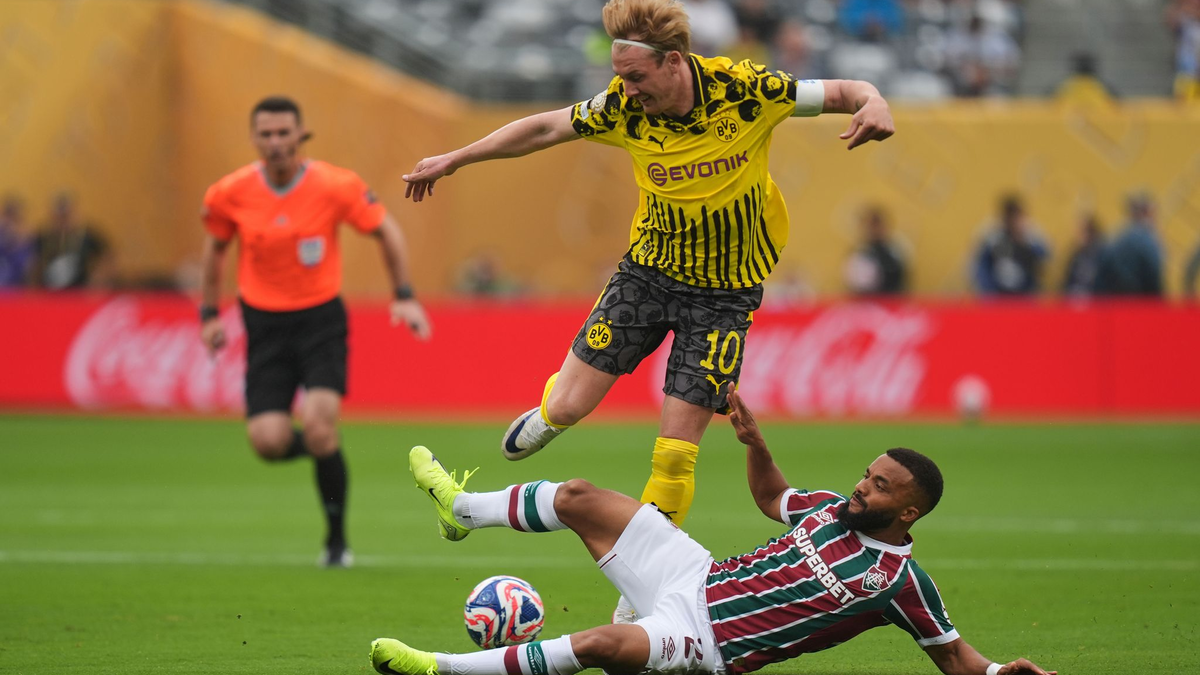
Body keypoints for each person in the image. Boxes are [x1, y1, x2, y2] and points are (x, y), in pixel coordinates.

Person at [402, 0, 894, 564]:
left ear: (674, 62)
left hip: (724, 296)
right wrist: (457, 158)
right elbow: (546, 126)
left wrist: (874, 100)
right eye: (620, 78)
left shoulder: (747, 90)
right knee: (567, 409)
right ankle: (550, 414)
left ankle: (643, 591)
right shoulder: (621, 108)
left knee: (675, 456)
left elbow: (844, 91)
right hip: (648, 277)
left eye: (635, 77)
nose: (626, 90)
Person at [370, 390, 1056, 675]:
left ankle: (440, 667)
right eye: (867, 473)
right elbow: (770, 496)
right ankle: (461, 510)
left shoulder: (901, 584)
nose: (862, 487)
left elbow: (959, 661)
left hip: (708, 644)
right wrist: (755, 441)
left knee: (602, 642)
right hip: (693, 575)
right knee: (581, 496)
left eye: (880, 486)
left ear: (908, 511)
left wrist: (1001, 671)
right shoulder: (825, 509)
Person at [199, 96, 432, 567]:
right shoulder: (229, 193)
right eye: (266, 134)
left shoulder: (335, 185)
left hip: (320, 320)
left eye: (284, 133)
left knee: (322, 429)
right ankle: (326, 453)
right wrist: (207, 315)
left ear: (301, 135)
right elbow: (215, 251)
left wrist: (404, 294)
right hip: (263, 324)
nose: (276, 142)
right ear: (254, 139)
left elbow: (386, 230)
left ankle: (336, 542)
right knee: (267, 442)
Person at [28, 193, 114, 290]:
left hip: (78, 292)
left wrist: (98, 279)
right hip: (50, 292)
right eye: (59, 217)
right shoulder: (44, 237)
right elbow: (35, 264)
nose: (62, 221)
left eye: (66, 216)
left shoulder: (87, 236)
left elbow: (107, 256)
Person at [972, 194, 1049, 296]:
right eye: (1010, 217)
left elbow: (1044, 255)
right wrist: (989, 292)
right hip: (999, 296)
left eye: (1017, 217)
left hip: (1025, 296)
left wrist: (1027, 238)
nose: (1014, 221)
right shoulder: (993, 237)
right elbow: (981, 266)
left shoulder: (1030, 236)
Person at [1094, 192, 1164, 297]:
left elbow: (1102, 268)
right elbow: (1153, 276)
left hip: (1115, 300)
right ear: (1146, 213)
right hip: (1139, 301)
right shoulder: (1147, 240)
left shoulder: (1117, 235)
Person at [844, 204, 907, 297]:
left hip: (891, 301)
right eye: (872, 225)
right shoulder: (860, 253)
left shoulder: (895, 251)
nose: (875, 230)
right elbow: (855, 283)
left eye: (879, 225)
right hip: (867, 303)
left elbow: (901, 279)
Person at [1060, 213, 1105, 296]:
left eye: (1081, 232)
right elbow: (1067, 282)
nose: (1077, 235)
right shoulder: (1076, 255)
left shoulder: (1102, 254)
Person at [0, 195, 32, 288]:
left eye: (15, 218)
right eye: (8, 216)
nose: (11, 224)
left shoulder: (25, 238)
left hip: (16, 287)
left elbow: (27, 266)